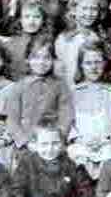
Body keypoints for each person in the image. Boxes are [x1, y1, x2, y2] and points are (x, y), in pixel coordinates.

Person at [5, 36, 73, 174]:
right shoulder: (19, 86)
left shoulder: (60, 85)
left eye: (46, 58)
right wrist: (24, 141)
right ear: (27, 60)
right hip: (27, 145)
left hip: (52, 145)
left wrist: (56, 140)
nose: (41, 62)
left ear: (53, 60)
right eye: (35, 57)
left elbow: (66, 116)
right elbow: (11, 119)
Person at [67, 41, 111, 181]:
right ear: (81, 65)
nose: (93, 67)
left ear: (104, 64)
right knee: (75, 155)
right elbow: (68, 124)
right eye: (88, 63)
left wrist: (107, 139)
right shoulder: (72, 94)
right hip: (82, 145)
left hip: (108, 144)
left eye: (98, 62)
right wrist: (80, 140)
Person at [54, 0, 111, 90]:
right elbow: (66, 73)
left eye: (93, 9)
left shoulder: (99, 36)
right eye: (84, 8)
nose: (89, 13)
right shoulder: (65, 40)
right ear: (73, 10)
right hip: (73, 90)